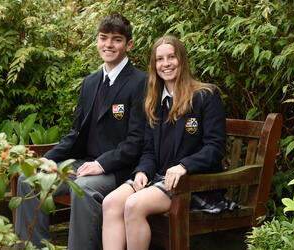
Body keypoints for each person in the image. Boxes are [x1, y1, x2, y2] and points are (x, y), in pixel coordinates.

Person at [15, 14, 147, 250]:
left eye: (116, 40)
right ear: (97, 41)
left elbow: (137, 142)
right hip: (85, 164)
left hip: (120, 169)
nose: (108, 44)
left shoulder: (141, 83)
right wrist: (49, 158)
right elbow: (76, 133)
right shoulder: (90, 82)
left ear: (129, 45)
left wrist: (102, 164)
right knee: (30, 179)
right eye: (103, 38)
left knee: (84, 188)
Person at [102, 34, 227, 250]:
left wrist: (185, 166)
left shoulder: (205, 95)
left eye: (172, 57)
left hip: (193, 184)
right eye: (160, 59)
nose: (166, 64)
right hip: (158, 179)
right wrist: (142, 171)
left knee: (133, 205)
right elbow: (148, 150)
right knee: (111, 203)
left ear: (182, 60)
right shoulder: (155, 101)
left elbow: (215, 147)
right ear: (154, 65)